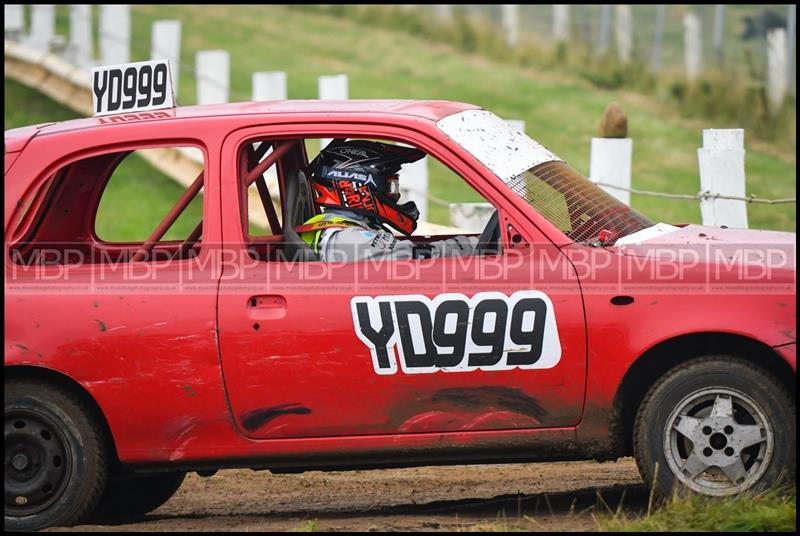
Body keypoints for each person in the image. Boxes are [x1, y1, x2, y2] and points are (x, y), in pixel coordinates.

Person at [297, 140, 479, 262]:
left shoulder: (342, 230)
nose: (395, 196)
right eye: (390, 186)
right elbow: (419, 257)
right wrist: (475, 246)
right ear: (356, 185)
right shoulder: (346, 239)